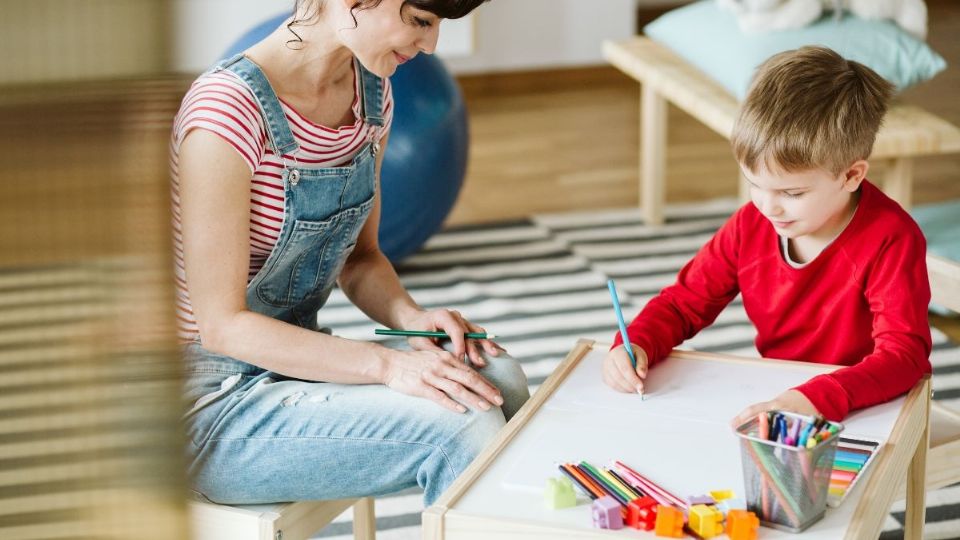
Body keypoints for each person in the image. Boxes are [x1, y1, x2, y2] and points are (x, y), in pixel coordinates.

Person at [171, 0, 528, 506]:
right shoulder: (226, 112)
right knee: (458, 428)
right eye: (421, 21)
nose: (431, 45)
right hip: (210, 405)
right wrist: (387, 365)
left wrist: (412, 319)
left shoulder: (373, 95)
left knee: (500, 381)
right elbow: (223, 325)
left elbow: (360, 259)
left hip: (297, 366)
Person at [601, 46, 932, 424]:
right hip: (786, 401)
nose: (768, 207)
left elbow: (904, 357)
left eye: (792, 194)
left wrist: (816, 398)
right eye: (755, 184)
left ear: (852, 176)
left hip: (867, 405)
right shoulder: (751, 224)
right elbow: (684, 304)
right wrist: (637, 343)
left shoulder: (892, 238)